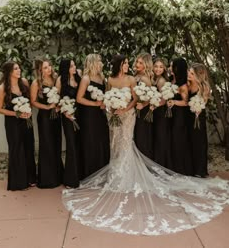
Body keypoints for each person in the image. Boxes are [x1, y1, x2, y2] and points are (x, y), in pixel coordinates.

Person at [62, 54, 229, 236]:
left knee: (126, 142)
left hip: (128, 115)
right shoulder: (108, 79)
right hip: (114, 116)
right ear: (120, 65)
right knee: (115, 144)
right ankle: (115, 172)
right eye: (126, 63)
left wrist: (125, 108)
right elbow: (107, 96)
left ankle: (127, 174)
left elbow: (135, 99)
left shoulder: (132, 79)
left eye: (130, 63)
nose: (129, 65)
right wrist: (112, 107)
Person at [0, 61, 36, 190]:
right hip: (13, 123)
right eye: (16, 69)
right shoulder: (2, 88)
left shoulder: (24, 82)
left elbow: (30, 100)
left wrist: (27, 110)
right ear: (9, 72)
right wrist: (16, 113)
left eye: (19, 68)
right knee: (17, 148)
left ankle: (30, 178)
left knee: (29, 147)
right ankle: (19, 181)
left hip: (27, 121)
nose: (19, 70)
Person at [31, 58, 63, 188]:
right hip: (44, 117)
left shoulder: (56, 79)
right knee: (47, 144)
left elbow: (61, 96)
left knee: (56, 143)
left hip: (56, 116)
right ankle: (47, 178)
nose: (49, 69)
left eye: (49, 66)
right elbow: (33, 101)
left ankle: (58, 175)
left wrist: (59, 106)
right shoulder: (36, 83)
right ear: (40, 70)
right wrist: (47, 107)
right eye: (45, 67)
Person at [76, 54, 110, 178]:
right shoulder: (86, 78)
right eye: (99, 61)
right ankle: (90, 172)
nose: (101, 63)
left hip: (100, 114)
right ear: (93, 62)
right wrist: (95, 103)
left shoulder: (102, 77)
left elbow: (105, 95)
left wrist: (105, 103)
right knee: (91, 141)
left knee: (101, 140)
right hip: (88, 115)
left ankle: (102, 171)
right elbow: (79, 99)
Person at [56, 59, 81, 188]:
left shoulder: (79, 77)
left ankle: (81, 174)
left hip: (81, 115)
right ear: (66, 68)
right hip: (67, 117)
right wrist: (65, 111)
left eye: (74, 64)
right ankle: (71, 179)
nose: (74, 67)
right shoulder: (61, 79)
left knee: (79, 144)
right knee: (71, 145)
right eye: (71, 66)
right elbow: (57, 98)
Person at [168, 57, 193, 175]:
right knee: (171, 139)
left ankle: (181, 168)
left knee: (178, 139)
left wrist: (174, 102)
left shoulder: (183, 84)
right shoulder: (170, 80)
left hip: (180, 116)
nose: (170, 68)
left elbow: (186, 102)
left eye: (173, 66)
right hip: (170, 115)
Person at [187, 63, 210, 177]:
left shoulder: (204, 88)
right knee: (189, 141)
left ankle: (200, 170)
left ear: (198, 75)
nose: (189, 75)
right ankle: (190, 168)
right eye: (189, 72)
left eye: (192, 73)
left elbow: (204, 101)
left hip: (198, 117)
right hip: (188, 116)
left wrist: (199, 108)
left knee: (199, 142)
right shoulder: (188, 84)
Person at [152, 57, 172, 169]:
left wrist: (153, 105)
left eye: (160, 67)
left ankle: (162, 165)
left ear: (164, 68)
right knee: (157, 137)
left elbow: (164, 100)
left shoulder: (162, 81)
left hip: (160, 113)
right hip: (155, 112)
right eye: (156, 66)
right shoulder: (154, 79)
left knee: (161, 138)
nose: (158, 69)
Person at [133, 52, 154, 159]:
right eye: (137, 61)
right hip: (134, 110)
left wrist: (143, 105)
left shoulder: (145, 78)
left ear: (146, 65)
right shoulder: (135, 75)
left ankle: (144, 163)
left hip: (142, 111)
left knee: (142, 137)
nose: (137, 64)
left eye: (140, 63)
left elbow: (152, 97)